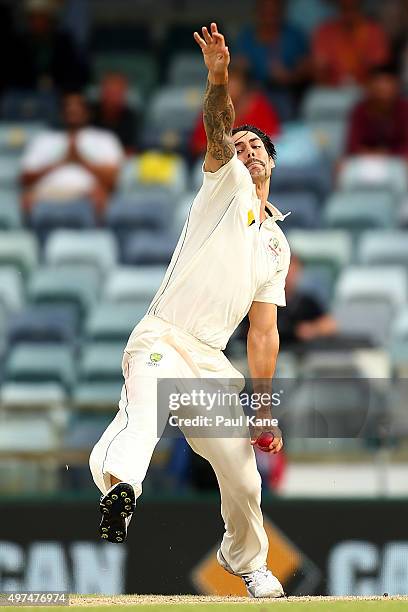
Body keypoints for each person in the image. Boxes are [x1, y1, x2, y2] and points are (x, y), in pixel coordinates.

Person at [89, 23, 290, 599]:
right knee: (144, 408)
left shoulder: (276, 245)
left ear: (271, 160)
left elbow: (264, 330)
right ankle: (121, 489)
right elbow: (219, 125)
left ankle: (245, 560)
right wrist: (219, 77)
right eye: (240, 145)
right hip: (164, 334)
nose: (245, 150)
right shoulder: (223, 181)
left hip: (210, 361)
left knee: (244, 477)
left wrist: (265, 408)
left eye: (256, 146)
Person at [21, 92, 124, 216]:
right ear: (61, 113)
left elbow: (112, 179)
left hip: (87, 193)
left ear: (87, 113)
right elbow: (25, 178)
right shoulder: (44, 139)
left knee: (101, 197)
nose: (73, 112)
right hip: (47, 192)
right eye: (68, 109)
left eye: (77, 109)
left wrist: (80, 160)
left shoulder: (104, 138)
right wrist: (62, 161)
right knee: (27, 198)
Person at [190, 63, 280, 158]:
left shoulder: (258, 104)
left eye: (232, 83)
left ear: (244, 86)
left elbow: (274, 139)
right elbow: (198, 145)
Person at [11, 0, 89, 92]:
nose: (38, 23)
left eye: (41, 17)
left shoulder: (63, 42)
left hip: (58, 94)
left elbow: (75, 73)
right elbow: (15, 75)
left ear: (50, 19)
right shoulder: (19, 44)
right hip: (25, 94)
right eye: (33, 18)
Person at [234, 0, 310, 91]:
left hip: (289, 94)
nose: (269, 18)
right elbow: (237, 68)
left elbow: (307, 69)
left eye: (273, 12)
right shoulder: (246, 37)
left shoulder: (294, 37)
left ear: (281, 12)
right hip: (254, 94)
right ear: (258, 12)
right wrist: (242, 70)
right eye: (265, 12)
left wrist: (290, 75)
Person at [312, 0, 390, 86]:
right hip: (333, 90)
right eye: (345, 9)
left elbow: (379, 67)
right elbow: (319, 68)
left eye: (353, 8)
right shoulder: (325, 32)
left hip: (366, 90)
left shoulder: (374, 32)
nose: (349, 15)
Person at [346, 64, 408, 158]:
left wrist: (386, 153)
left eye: (388, 85)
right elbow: (352, 146)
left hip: (398, 161)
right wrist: (374, 154)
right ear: (369, 87)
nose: (383, 91)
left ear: (396, 87)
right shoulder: (360, 110)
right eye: (378, 86)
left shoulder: (404, 109)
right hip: (366, 162)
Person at [278, 254, 337, 347]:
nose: (289, 275)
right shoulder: (263, 301)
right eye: (285, 270)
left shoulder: (307, 301)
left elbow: (330, 325)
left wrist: (313, 329)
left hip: (302, 354)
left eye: (293, 270)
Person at [92, 73, 139, 153]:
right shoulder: (89, 114)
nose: (113, 98)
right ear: (102, 93)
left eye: (117, 93)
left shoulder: (131, 118)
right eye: (110, 93)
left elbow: (131, 150)